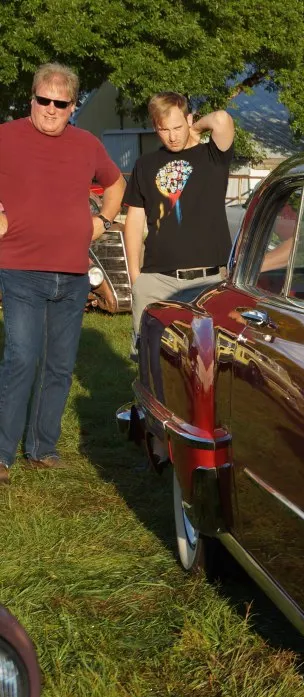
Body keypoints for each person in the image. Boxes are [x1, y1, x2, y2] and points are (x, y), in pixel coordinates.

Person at [0, 62, 125, 484]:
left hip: (72, 273)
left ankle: (41, 447)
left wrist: (103, 221)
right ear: (32, 98)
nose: (51, 110)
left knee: (59, 364)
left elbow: (116, 183)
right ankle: (2, 455)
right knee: (21, 357)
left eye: (61, 103)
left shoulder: (87, 143)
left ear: (73, 106)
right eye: (43, 100)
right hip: (21, 269)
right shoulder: (6, 136)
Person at [123, 93, 235, 356]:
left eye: (178, 127)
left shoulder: (213, 155)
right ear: (154, 127)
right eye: (164, 129)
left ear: (189, 119)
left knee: (207, 361)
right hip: (156, 280)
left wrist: (195, 129)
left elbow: (221, 119)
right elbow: (135, 220)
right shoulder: (145, 164)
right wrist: (135, 277)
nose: (172, 136)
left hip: (209, 281)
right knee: (150, 360)